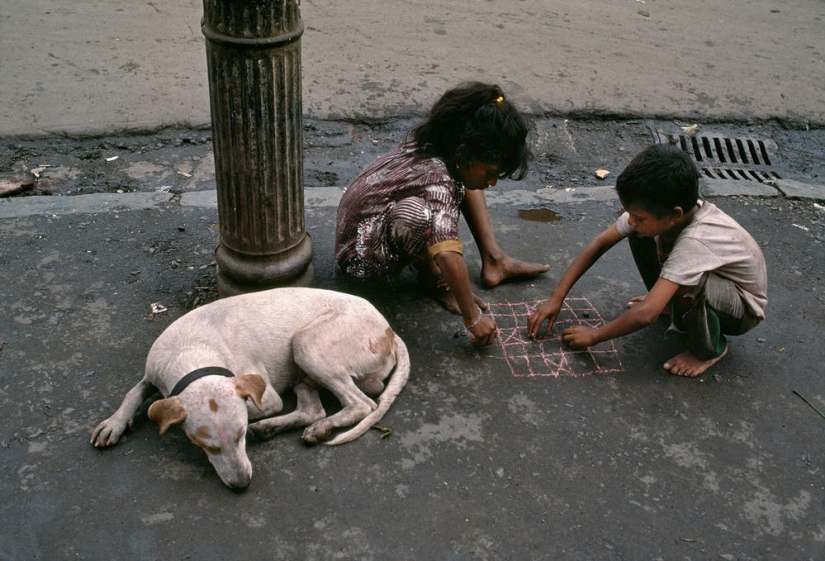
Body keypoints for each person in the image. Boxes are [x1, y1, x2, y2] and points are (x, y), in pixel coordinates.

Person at [335, 82, 549, 346]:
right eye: (491, 173)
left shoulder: (442, 149)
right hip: (359, 262)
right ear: (462, 151)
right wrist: (472, 317)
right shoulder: (436, 179)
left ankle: (491, 261)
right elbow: (448, 253)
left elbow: (463, 179)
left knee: (464, 180)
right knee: (423, 213)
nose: (493, 182)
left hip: (374, 227)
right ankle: (429, 279)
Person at [527, 144, 768, 377]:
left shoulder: (696, 240)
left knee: (690, 281)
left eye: (638, 216)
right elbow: (600, 243)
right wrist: (556, 297)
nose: (631, 220)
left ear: (675, 214)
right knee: (639, 234)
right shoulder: (661, 215)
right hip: (714, 284)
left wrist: (594, 336)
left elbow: (645, 315)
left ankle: (709, 349)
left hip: (741, 309)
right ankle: (667, 303)